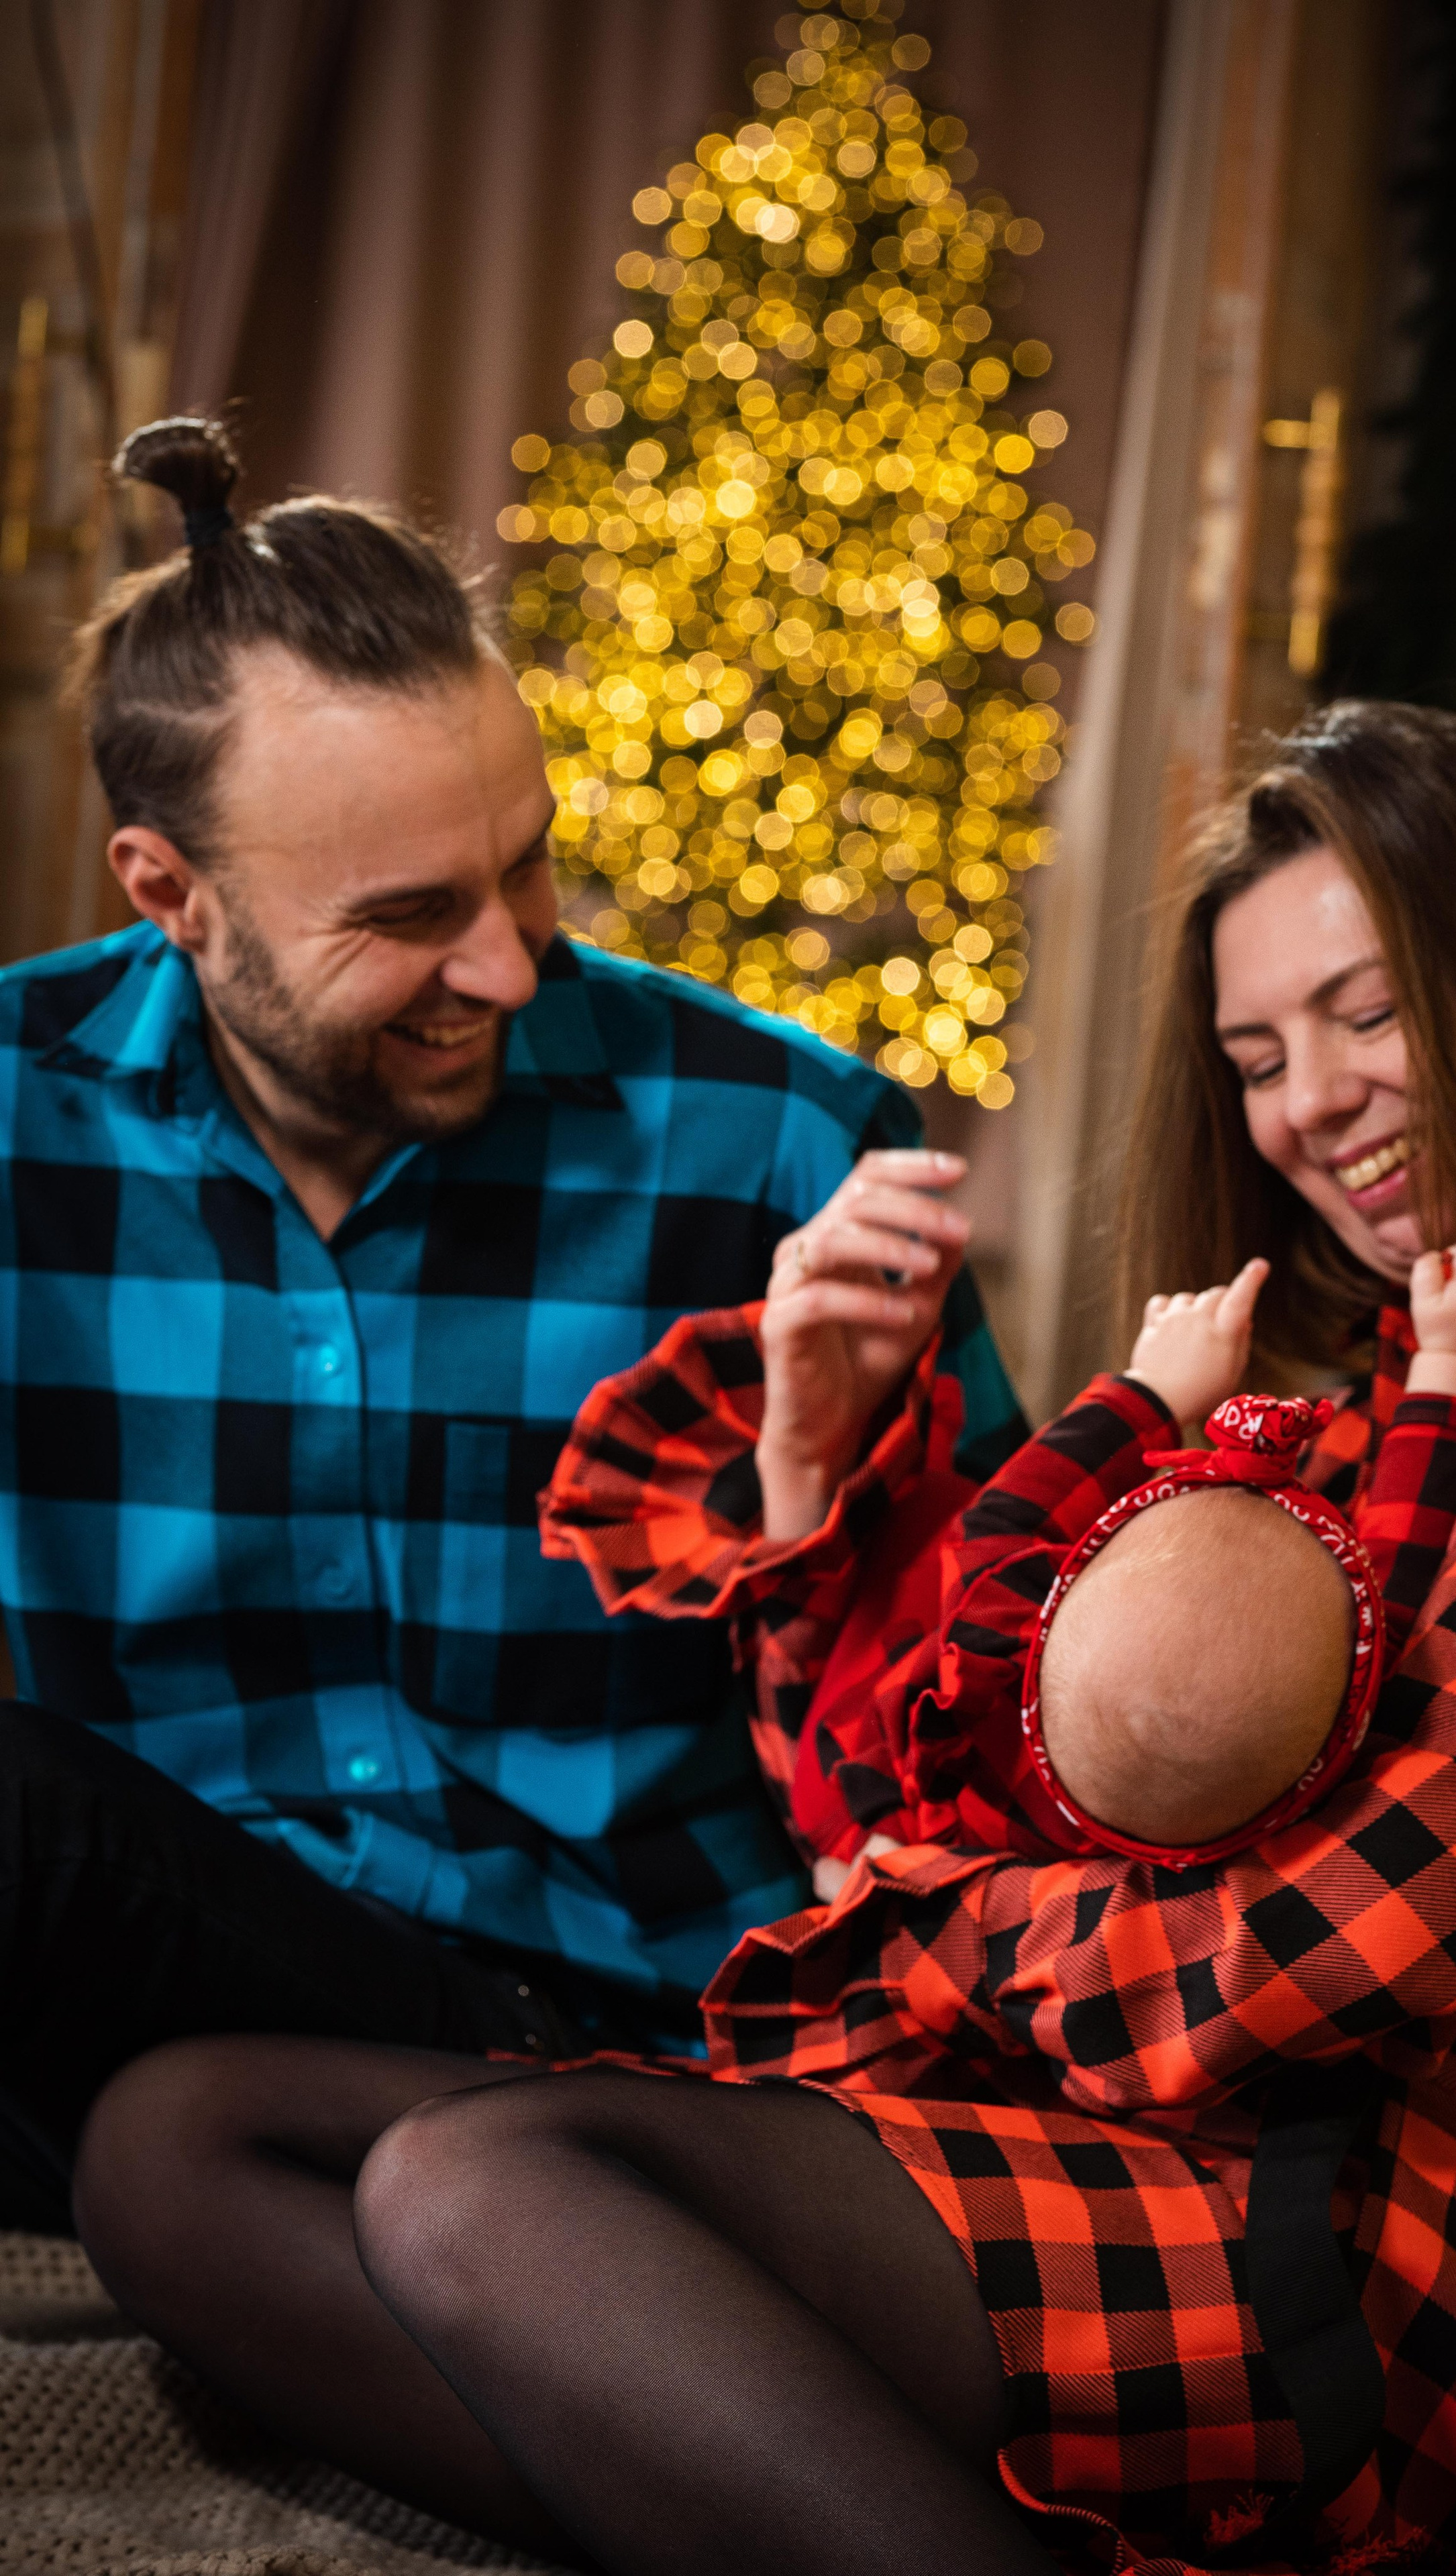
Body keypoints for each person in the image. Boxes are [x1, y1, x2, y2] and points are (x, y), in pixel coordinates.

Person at [71, 704, 1456, 2576]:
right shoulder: (1317, 1401)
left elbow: (1351, 1939)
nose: (1307, 1104)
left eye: (1370, 1015)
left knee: (484, 2183)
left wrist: (943, 1936)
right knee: (181, 2141)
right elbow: (908, 1777)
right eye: (1259, 1054)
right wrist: (806, 1451)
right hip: (1123, 2151)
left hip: (1382, 2253)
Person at [0, 412, 1020, 2237]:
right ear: (171, 893)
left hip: (601, 2034)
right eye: (409, 917)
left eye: (526, 868)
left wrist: (826, 1490)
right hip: (128, 2004)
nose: (507, 962)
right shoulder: (15, 1123)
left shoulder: (784, 1149)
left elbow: (996, 1743)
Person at [550, 1238, 1456, 1875]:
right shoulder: (1314, 1766)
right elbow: (1408, 1540)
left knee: (870, 1545)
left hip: (855, 1755)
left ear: (1054, 1595)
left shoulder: (989, 1634)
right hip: (902, 1825)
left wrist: (1153, 1385)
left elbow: (1012, 1510)